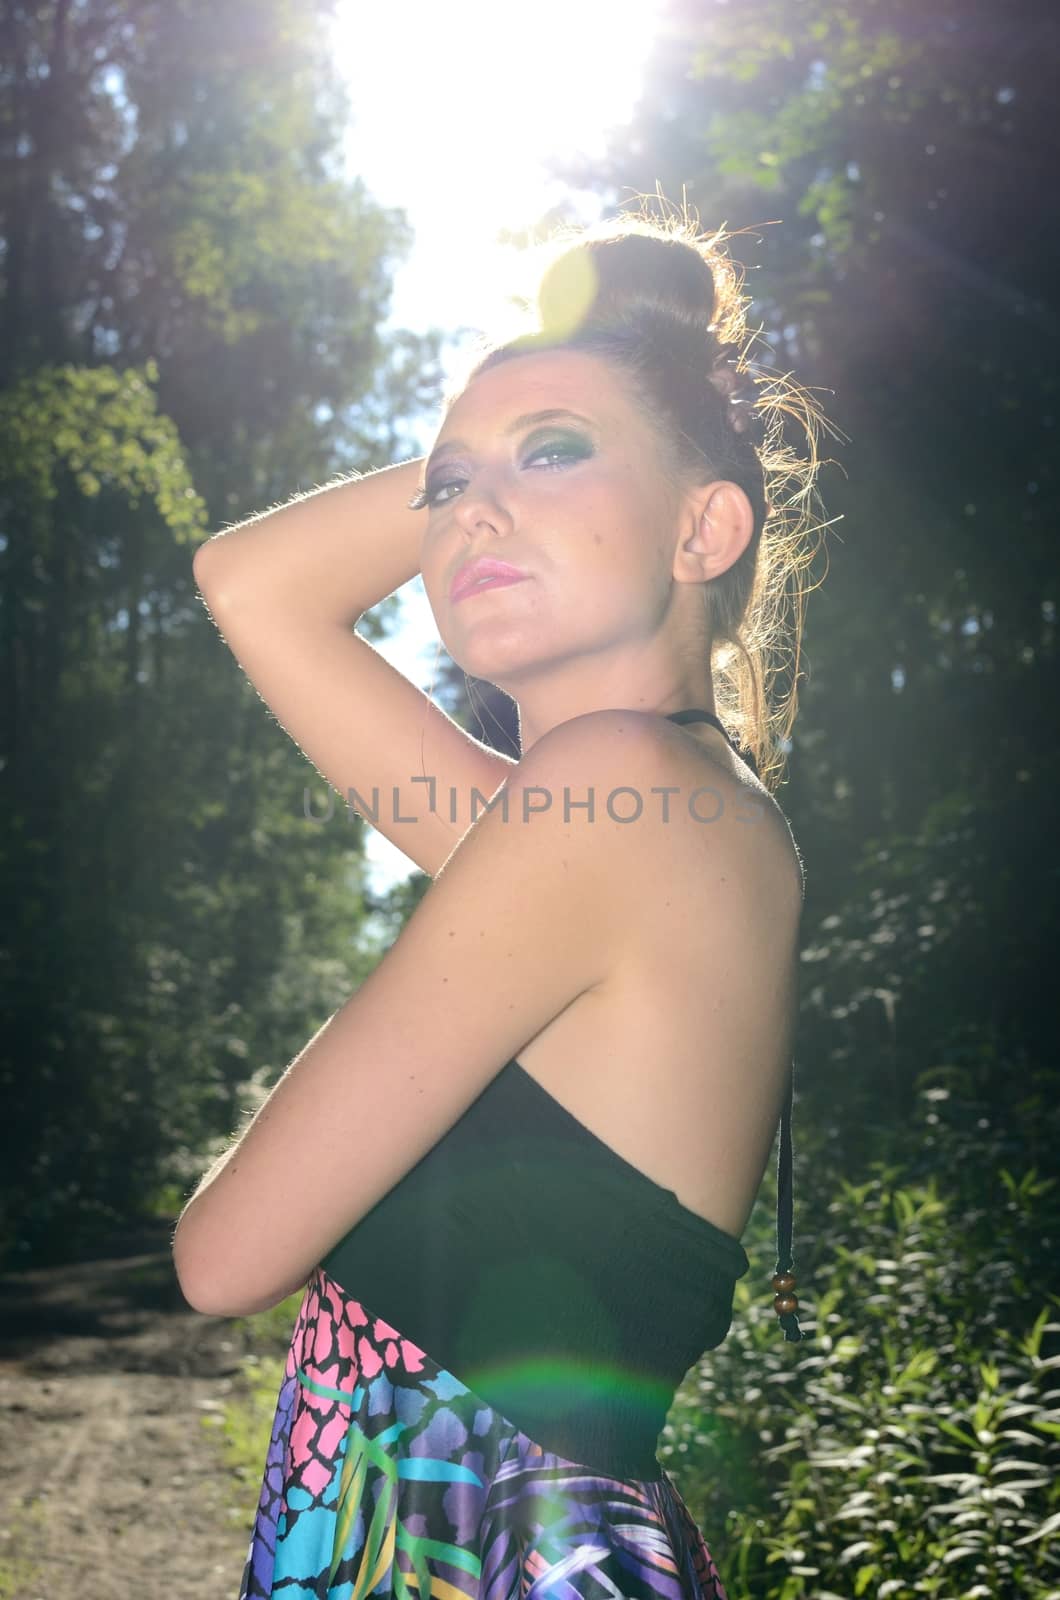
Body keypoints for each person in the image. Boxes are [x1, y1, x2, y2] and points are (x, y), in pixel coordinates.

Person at [174, 204, 827, 1600]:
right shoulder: (653, 818)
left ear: (707, 524)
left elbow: (224, 1253)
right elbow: (250, 583)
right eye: (450, 485)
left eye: (554, 455)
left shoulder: (612, 803)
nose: (475, 509)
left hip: (466, 1550)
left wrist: (566, 401)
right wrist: (528, 430)